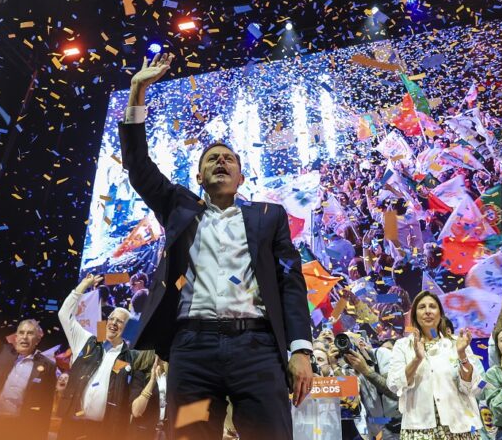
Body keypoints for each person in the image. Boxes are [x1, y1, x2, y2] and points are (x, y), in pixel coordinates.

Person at [119, 53, 313, 440]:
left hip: (257, 351)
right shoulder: (178, 207)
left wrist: (301, 350)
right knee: (191, 434)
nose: (220, 162)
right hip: (193, 354)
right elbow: (138, 166)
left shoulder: (269, 216)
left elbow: (290, 282)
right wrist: (137, 90)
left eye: (228, 159)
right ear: (198, 176)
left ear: (241, 177)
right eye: (212, 159)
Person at [387, 291, 485, 439]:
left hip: (460, 426)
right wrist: (417, 359)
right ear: (415, 315)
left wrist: (462, 355)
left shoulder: (457, 343)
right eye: (422, 307)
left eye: (432, 306)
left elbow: (473, 387)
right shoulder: (403, 345)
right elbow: (394, 384)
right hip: (419, 428)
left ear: (440, 313)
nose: (427, 311)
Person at [57, 273, 137, 440]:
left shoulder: (130, 357)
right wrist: (83, 286)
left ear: (127, 328)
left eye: (120, 321)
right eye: (111, 318)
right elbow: (64, 315)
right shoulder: (86, 341)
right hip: (72, 424)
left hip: (103, 431)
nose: (113, 323)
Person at [0, 280, 57, 439]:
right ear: (16, 336)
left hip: (20, 429)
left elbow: (46, 404)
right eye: (21, 332)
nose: (24, 337)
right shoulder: (3, 352)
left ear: (37, 339)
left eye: (30, 333)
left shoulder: (48, 366)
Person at [130, 350, 169, 440]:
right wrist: (152, 380)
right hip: (142, 432)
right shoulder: (140, 375)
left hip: (165, 433)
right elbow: (136, 411)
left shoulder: (169, 377)